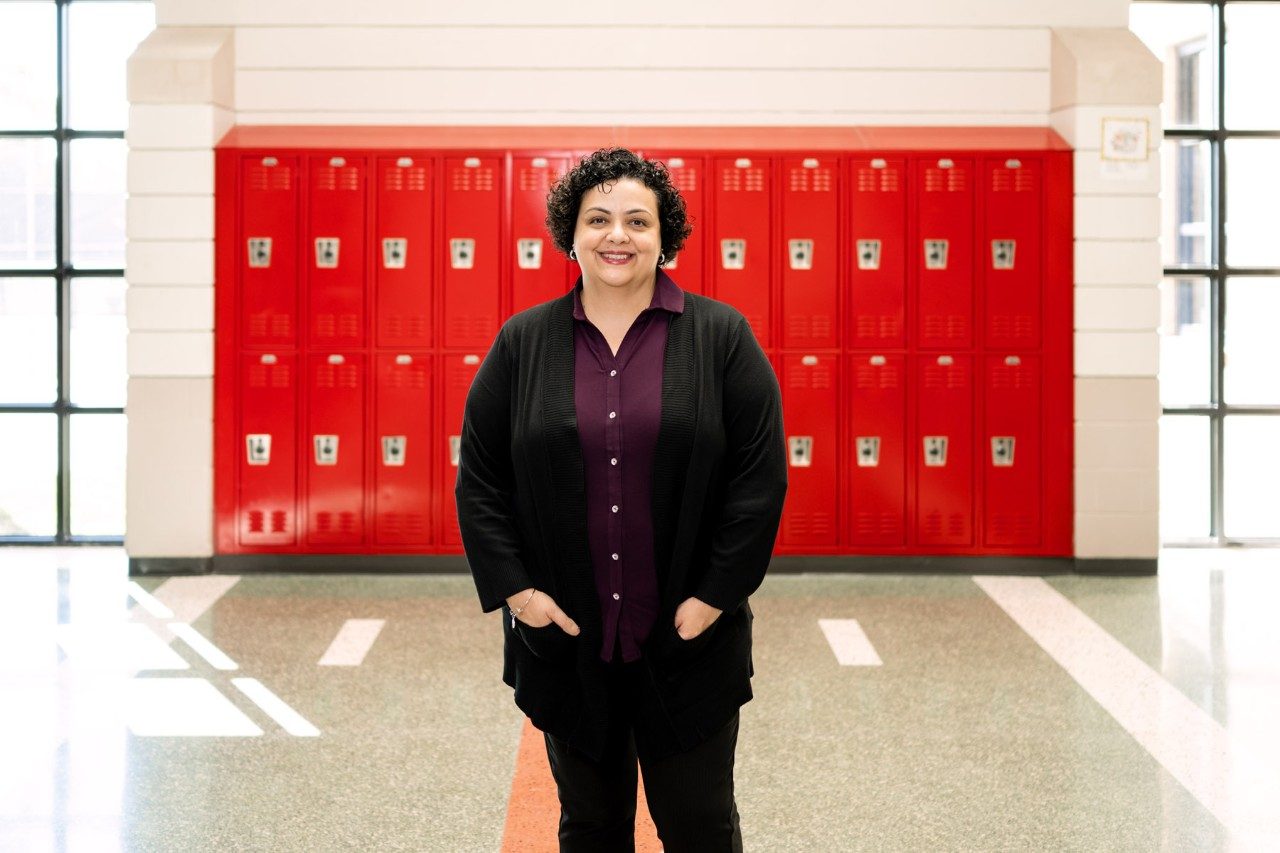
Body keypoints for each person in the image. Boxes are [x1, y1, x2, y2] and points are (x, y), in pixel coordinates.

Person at [456, 147, 786, 852]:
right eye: (598, 219)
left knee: (699, 826)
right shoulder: (523, 343)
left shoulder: (720, 338)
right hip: (568, 643)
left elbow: (757, 481)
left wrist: (712, 599)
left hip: (688, 641)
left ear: (664, 236)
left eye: (638, 220)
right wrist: (519, 595)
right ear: (569, 234)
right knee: (591, 829)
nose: (617, 235)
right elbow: (481, 477)